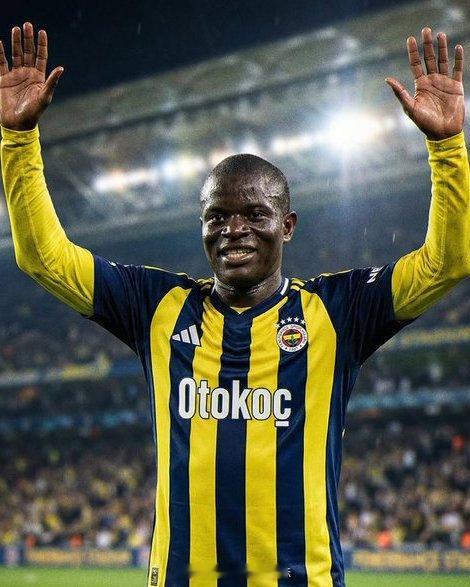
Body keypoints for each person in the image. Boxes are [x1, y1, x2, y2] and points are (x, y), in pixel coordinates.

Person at [1, 21, 468, 587]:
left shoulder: (339, 311)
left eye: (254, 214)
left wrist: (447, 148)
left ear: (287, 226)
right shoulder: (156, 306)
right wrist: (18, 139)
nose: (234, 230)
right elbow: (43, 258)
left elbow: (448, 262)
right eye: (217, 216)